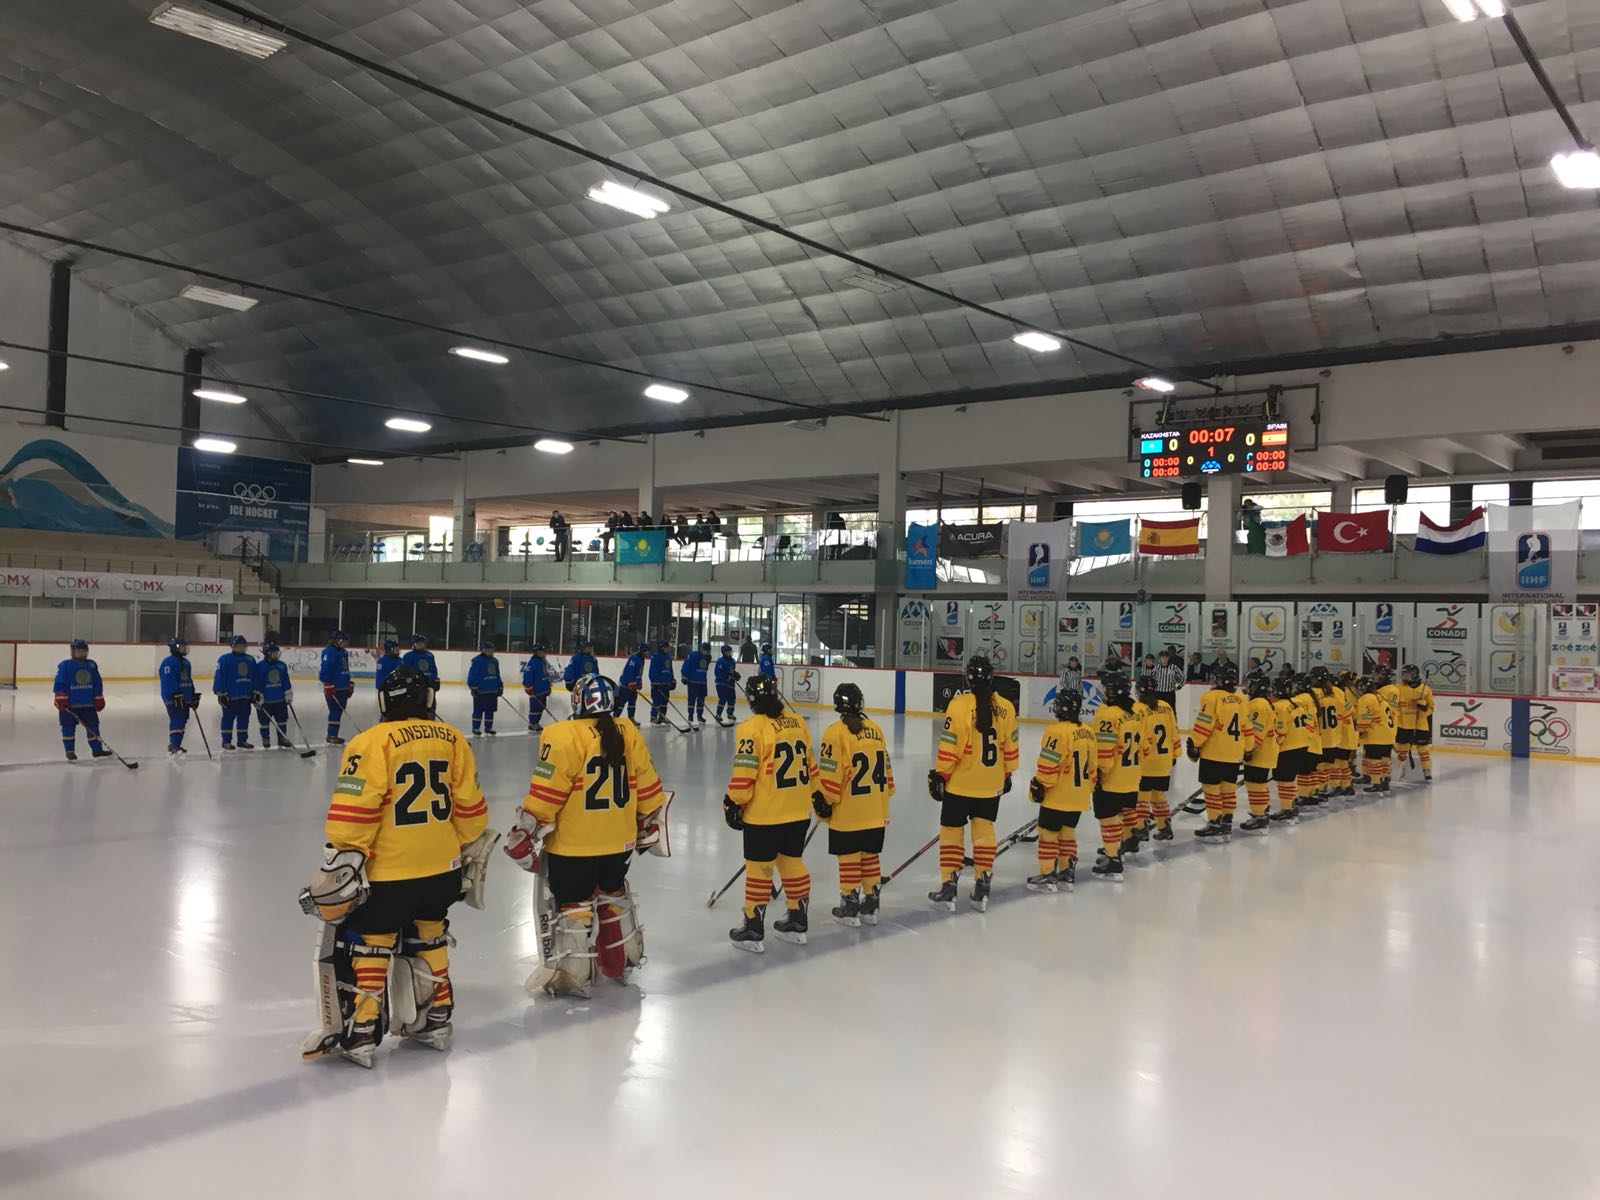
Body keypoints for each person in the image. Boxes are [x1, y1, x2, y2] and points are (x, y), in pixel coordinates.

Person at [298, 666, 492, 1067]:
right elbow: (472, 814)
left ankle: (364, 1028)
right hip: (443, 872)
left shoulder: (369, 743)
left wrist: (343, 856)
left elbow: (353, 817)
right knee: (430, 935)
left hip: (389, 875)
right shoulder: (454, 739)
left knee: (372, 937)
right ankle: (435, 1016)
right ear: (428, 700)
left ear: (385, 703)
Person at [504, 674, 668, 995]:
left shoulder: (563, 735)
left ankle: (574, 975)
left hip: (574, 846)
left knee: (574, 905)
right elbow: (650, 790)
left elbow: (546, 794)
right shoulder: (628, 732)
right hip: (619, 844)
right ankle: (621, 960)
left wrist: (525, 831)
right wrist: (647, 824)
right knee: (612, 895)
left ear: (580, 702)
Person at [724, 674, 818, 952]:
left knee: (760, 869)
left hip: (765, 814)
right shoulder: (798, 722)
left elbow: (744, 773)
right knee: (792, 863)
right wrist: (820, 795)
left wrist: (733, 802)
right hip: (799, 810)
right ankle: (798, 919)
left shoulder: (751, 728)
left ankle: (753, 927)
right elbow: (811, 767)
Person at [928, 654, 1019, 911]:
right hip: (990, 785)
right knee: (984, 831)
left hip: (960, 784)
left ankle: (949, 884)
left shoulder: (959, 705)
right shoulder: (1007, 708)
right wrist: (1008, 773)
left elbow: (949, 746)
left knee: (951, 832)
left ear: (967, 677)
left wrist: (940, 774)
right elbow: (1010, 746)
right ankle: (982, 883)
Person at [811, 682, 895, 926]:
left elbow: (831, 773)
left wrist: (824, 800)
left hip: (849, 810)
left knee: (848, 856)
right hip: (876, 809)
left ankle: (849, 903)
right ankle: (871, 904)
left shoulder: (834, 732)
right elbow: (887, 770)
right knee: (870, 856)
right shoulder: (876, 729)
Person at [1027, 687, 1098, 893]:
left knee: (1048, 835)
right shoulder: (1088, 731)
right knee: (1068, 833)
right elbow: (1094, 768)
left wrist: (1039, 785)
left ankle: (1048, 874)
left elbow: (1048, 765)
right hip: (1079, 796)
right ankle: (1067, 873)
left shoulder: (1056, 732)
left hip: (1057, 795)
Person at [1187, 661, 1251, 841]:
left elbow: (1204, 724)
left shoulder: (1212, 697)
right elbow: (1247, 727)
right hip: (1235, 752)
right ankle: (1227, 823)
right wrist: (1249, 747)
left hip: (1215, 752)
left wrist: (1195, 743)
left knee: (1211, 789)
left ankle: (1214, 823)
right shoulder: (1240, 698)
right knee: (1228, 789)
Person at [1091, 672, 1142, 874]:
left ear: (1113, 691)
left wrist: (1097, 774)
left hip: (1113, 777)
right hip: (1132, 775)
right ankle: (1126, 843)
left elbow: (1104, 750)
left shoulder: (1107, 715)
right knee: (1125, 811)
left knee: (1108, 817)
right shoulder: (1134, 714)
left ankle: (1113, 858)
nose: (1103, 692)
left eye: (1106, 688)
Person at [1137, 674, 1179, 841]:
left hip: (1147, 761)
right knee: (1158, 795)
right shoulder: (1166, 707)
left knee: (1141, 796)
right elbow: (1174, 732)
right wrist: (1176, 753)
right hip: (1164, 760)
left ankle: (1140, 828)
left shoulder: (1138, 708)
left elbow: (1140, 737)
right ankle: (1164, 827)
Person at [54, 638, 109, 761]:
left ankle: (97, 750)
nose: (82, 653)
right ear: (73, 651)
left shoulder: (91, 664)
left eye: (84, 650)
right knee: (68, 727)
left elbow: (97, 682)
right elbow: (59, 682)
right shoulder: (65, 665)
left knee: (93, 726)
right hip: (70, 705)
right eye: (79, 650)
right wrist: (60, 696)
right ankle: (70, 751)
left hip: (88, 703)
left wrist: (98, 696)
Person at [1239, 673, 1281, 833]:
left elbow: (1256, 732)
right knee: (1257, 784)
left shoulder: (1258, 705)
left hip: (1261, 752)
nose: (1247, 687)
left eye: (1250, 684)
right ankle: (1261, 811)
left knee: (1256, 785)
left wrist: (1248, 750)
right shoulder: (1263, 703)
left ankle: (1260, 817)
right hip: (1265, 750)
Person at [1271, 673, 1311, 824]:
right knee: (1290, 779)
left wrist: (1272, 747)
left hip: (1288, 748)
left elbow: (1280, 732)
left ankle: (1287, 810)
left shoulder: (1279, 707)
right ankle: (1292, 807)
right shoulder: (1298, 702)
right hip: (1302, 745)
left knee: (1284, 780)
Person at [214, 634, 258, 750]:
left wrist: (254, 692)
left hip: (245, 696)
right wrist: (221, 693)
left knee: (244, 718)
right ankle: (226, 741)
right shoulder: (224, 659)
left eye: (243, 645)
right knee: (228, 719)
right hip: (230, 697)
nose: (241, 648)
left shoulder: (250, 660)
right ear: (232, 646)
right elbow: (220, 677)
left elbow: (255, 677)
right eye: (238, 645)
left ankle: (242, 740)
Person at [158, 636, 198, 756]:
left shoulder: (186, 663)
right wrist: (174, 693)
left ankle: (177, 744)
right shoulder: (168, 662)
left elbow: (188, 680)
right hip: (173, 698)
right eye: (182, 647)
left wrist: (192, 693)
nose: (184, 649)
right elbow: (168, 679)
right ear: (175, 648)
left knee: (183, 719)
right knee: (177, 719)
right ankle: (174, 744)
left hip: (185, 696)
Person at [1356, 675, 1397, 794]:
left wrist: (1359, 733)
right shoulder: (1380, 697)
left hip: (1376, 734)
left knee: (1373, 759)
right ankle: (1385, 781)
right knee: (1385, 758)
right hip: (1388, 733)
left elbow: (1365, 719)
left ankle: (1376, 783)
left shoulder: (1365, 699)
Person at [1290, 675, 1325, 808]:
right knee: (1311, 770)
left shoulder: (1300, 699)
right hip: (1315, 740)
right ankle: (1312, 793)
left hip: (1307, 741)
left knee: (1304, 772)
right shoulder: (1311, 697)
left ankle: (1304, 796)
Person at [254, 642, 294, 749]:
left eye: (277, 653)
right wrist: (257, 695)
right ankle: (265, 738)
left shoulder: (282, 665)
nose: (276, 655)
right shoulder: (259, 666)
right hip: (265, 701)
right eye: (274, 653)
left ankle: (282, 738)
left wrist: (288, 693)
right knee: (264, 722)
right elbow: (257, 682)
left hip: (280, 700)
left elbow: (285, 681)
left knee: (282, 720)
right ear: (267, 653)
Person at [320, 630, 354, 745]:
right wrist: (327, 683)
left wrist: (348, 682)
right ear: (338, 640)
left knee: (339, 711)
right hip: (334, 688)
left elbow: (344, 669)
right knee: (335, 711)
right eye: (343, 641)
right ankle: (331, 735)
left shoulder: (343, 652)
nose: (345, 643)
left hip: (342, 687)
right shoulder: (329, 652)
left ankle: (334, 734)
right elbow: (325, 669)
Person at [466, 641, 503, 736]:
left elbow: (497, 675)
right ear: (483, 650)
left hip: (492, 690)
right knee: (478, 710)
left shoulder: (495, 661)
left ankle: (488, 727)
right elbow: (472, 674)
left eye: (492, 649)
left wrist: (500, 685)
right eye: (489, 649)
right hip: (481, 690)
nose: (491, 651)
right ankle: (476, 728)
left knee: (490, 710)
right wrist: (472, 686)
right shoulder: (477, 661)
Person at [521, 643, 552, 731]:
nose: (543, 653)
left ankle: (536, 722)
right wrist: (528, 688)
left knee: (541, 707)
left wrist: (548, 686)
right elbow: (527, 677)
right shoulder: (533, 662)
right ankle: (532, 723)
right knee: (535, 708)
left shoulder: (543, 662)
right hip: (536, 690)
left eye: (544, 651)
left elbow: (546, 675)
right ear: (536, 652)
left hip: (543, 690)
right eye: (541, 652)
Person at [681, 641, 711, 728]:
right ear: (701, 649)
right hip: (692, 682)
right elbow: (686, 665)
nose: (707, 652)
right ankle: (690, 716)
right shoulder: (693, 655)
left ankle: (699, 716)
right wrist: (684, 676)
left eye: (708, 651)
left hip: (702, 682)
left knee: (701, 700)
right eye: (706, 650)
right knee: (691, 700)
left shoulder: (707, 657)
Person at [647, 639, 676, 725]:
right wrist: (654, 681)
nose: (668, 649)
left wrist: (672, 680)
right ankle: (653, 717)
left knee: (664, 701)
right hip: (657, 683)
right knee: (656, 701)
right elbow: (653, 669)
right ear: (661, 648)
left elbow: (670, 670)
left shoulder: (668, 657)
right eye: (666, 648)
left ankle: (662, 717)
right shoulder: (655, 656)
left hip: (666, 683)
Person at [616, 642, 647, 720]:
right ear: (643, 651)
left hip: (633, 686)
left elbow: (638, 673)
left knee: (632, 703)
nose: (648, 652)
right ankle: (615, 718)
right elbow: (629, 671)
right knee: (621, 704)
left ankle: (631, 718)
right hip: (625, 686)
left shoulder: (642, 659)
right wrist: (630, 682)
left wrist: (639, 682)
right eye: (647, 650)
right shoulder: (634, 658)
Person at [713, 644, 740, 725]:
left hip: (730, 683)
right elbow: (717, 672)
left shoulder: (732, 661)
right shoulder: (720, 661)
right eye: (728, 652)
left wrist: (735, 675)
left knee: (732, 699)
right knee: (723, 698)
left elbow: (732, 671)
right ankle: (718, 714)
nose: (729, 653)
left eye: (730, 652)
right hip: (721, 683)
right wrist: (724, 676)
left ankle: (730, 714)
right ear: (724, 652)